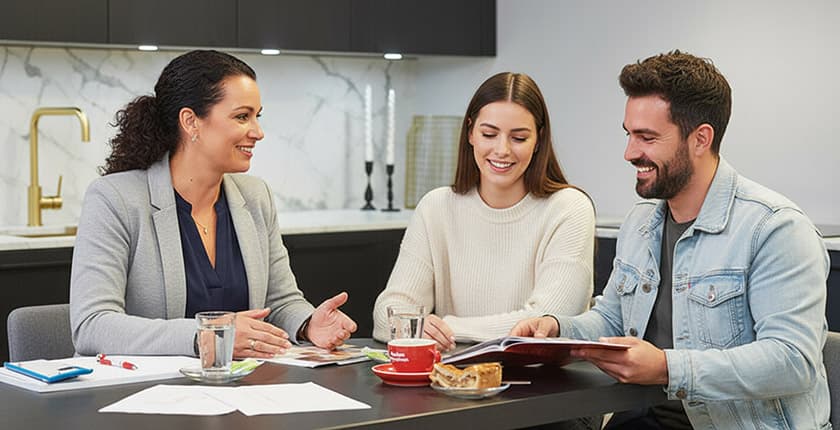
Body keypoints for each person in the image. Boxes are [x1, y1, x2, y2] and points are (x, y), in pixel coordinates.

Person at [511, 50, 831, 429]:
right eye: (629, 134)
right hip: (646, 418)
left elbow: (793, 362)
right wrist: (557, 331)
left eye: (647, 137)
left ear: (701, 139)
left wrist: (667, 368)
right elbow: (613, 318)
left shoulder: (775, 229)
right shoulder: (642, 222)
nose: (630, 153)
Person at [70, 50, 357, 359]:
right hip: (142, 394)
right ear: (191, 121)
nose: (258, 132)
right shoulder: (114, 199)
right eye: (242, 116)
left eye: (257, 116)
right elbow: (92, 325)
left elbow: (281, 301)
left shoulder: (256, 197)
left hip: (241, 391)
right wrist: (207, 336)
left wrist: (308, 324)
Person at [373, 72, 596, 351]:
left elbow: (544, 323)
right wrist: (412, 324)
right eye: (489, 134)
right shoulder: (435, 208)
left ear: (538, 140)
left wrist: (441, 327)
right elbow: (387, 314)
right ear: (470, 133)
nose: (502, 150)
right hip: (449, 382)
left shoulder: (569, 209)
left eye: (518, 138)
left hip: (542, 384)